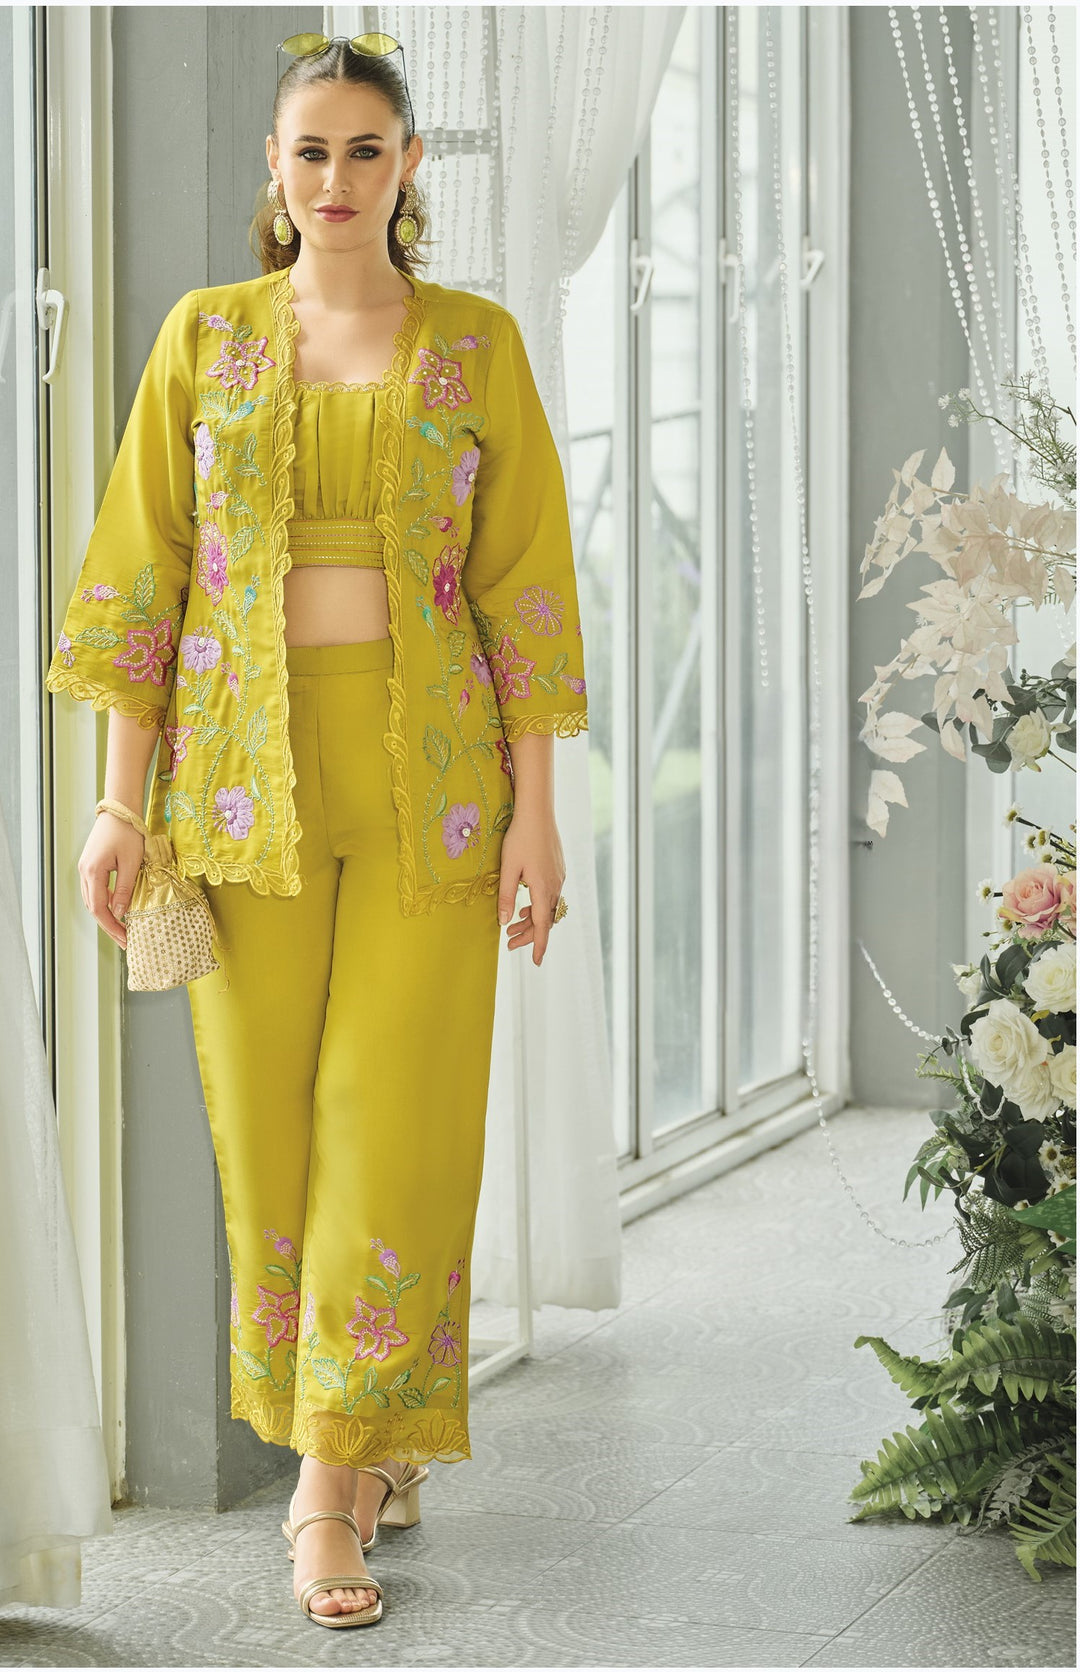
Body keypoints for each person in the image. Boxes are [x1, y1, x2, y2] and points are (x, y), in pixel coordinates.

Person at [44, 33, 589, 1630]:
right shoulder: (204, 338)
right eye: (310, 151)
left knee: (387, 1123)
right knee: (271, 1135)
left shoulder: (477, 347)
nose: (335, 179)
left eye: (365, 150)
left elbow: (526, 596)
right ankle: (362, 1433)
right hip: (233, 792)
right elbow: (143, 578)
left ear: (409, 166)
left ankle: (325, 1491)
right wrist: (117, 805)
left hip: (436, 794)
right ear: (273, 171)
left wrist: (540, 822)